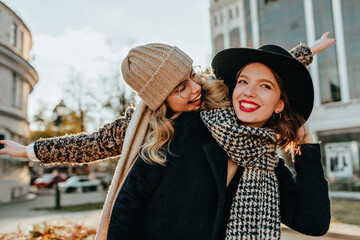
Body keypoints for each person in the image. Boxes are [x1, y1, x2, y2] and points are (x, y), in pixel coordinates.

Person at [0, 33, 334, 239]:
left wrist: (308, 53)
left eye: (192, 76)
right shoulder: (162, 130)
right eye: (179, 87)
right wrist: (31, 150)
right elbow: (92, 146)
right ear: (159, 99)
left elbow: (263, 74)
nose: (194, 90)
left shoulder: (240, 127)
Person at [107, 44, 331, 239]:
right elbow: (128, 207)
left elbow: (313, 222)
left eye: (265, 86)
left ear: (280, 104)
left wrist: (306, 148)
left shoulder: (268, 166)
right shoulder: (188, 127)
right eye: (243, 81)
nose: (250, 92)